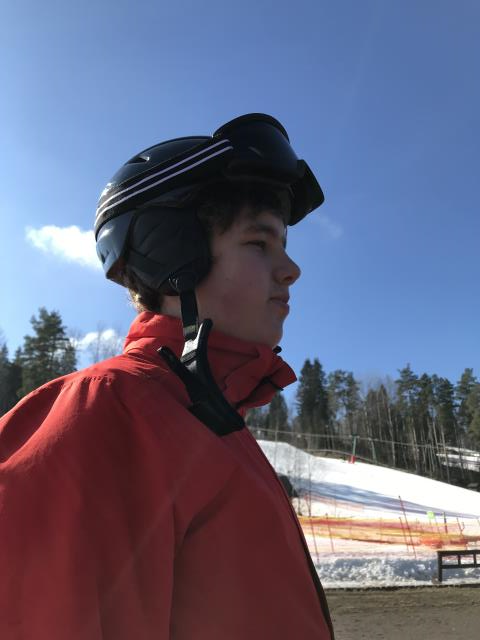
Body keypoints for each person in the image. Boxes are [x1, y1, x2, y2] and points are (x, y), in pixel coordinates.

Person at [0, 113, 334, 639]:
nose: (291, 269)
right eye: (259, 243)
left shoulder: (213, 425)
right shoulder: (112, 411)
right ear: (177, 260)